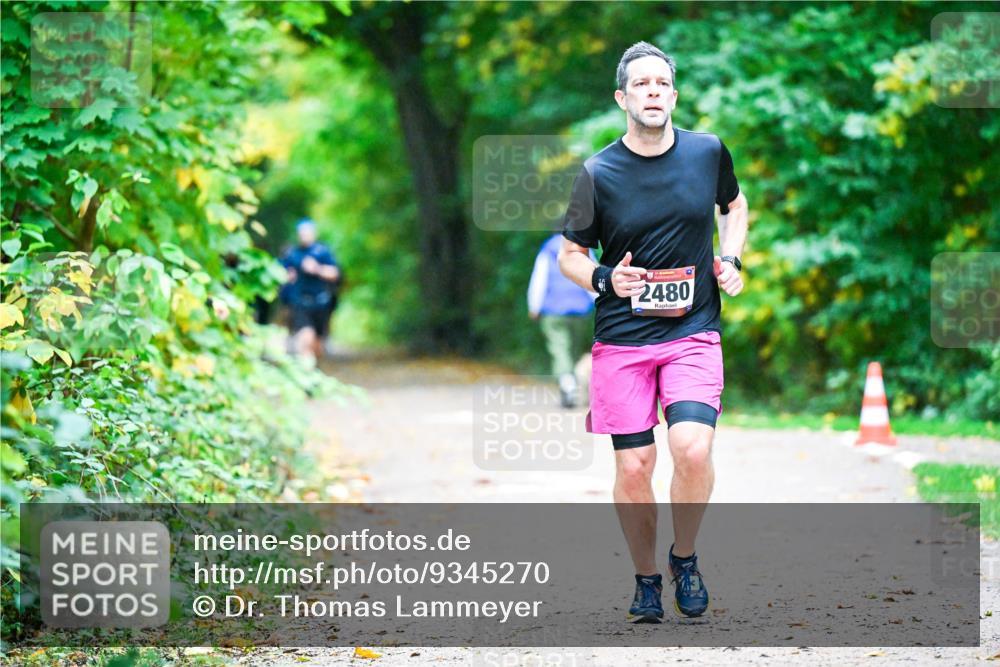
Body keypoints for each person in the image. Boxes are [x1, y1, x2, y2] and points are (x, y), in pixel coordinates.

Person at [558, 42, 748, 622]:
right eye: (640, 85)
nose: (652, 93)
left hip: (693, 328)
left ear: (674, 94)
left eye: (661, 84)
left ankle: (683, 558)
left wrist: (732, 260)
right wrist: (605, 277)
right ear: (622, 98)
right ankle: (645, 580)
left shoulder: (707, 153)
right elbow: (570, 253)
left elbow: (734, 208)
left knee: (692, 447)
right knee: (635, 466)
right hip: (623, 337)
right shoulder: (598, 172)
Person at [527, 232, 596, 408]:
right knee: (574, 349)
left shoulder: (548, 249)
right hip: (580, 309)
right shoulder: (582, 246)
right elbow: (593, 274)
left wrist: (534, 306)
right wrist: (600, 300)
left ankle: (567, 384)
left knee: (559, 349)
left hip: (553, 310)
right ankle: (575, 385)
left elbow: (539, 279)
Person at [281, 218, 341, 361]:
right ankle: (306, 374)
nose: (304, 235)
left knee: (317, 345)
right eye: (301, 233)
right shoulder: (293, 254)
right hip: (300, 302)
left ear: (314, 234)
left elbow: (335, 273)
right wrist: (287, 276)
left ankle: (313, 371)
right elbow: (281, 273)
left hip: (321, 303)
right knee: (305, 338)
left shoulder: (322, 252)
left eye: (307, 232)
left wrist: (317, 269)